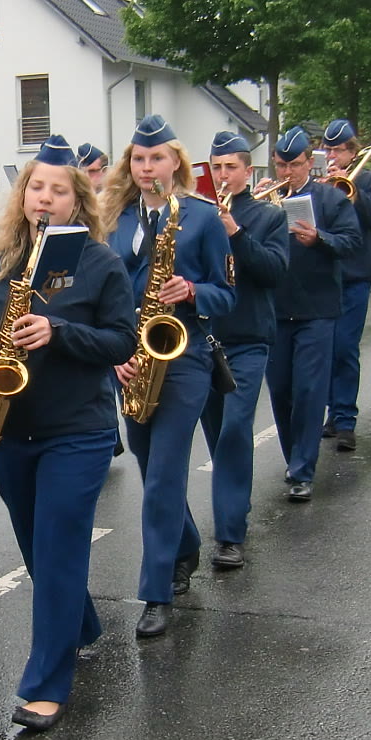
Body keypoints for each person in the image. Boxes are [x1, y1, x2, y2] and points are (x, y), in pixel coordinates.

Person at [0, 135, 135, 731]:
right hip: (13, 429)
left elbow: (122, 340)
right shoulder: (5, 261)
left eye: (57, 190)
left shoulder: (100, 263)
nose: (44, 197)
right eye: (36, 187)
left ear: (77, 200)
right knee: (38, 550)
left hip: (78, 430)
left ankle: (45, 685)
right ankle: (81, 626)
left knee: (60, 550)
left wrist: (58, 331)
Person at [103, 115, 235, 638]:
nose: (146, 167)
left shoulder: (200, 217)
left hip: (185, 356)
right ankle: (186, 544)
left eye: (156, 158)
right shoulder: (116, 219)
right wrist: (113, 354)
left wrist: (194, 291)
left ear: (175, 162)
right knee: (147, 462)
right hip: (131, 358)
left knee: (163, 474)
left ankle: (155, 592)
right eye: (138, 158)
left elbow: (228, 294)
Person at [198, 131, 289, 569]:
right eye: (216, 167)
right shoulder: (196, 216)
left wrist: (234, 232)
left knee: (235, 429)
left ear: (247, 172)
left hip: (249, 339)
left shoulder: (268, 217)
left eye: (230, 167)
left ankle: (230, 533)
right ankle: (232, 505)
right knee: (217, 435)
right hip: (204, 338)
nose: (222, 175)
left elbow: (274, 271)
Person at [263, 127, 365, 503]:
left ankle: (302, 470)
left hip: (318, 310)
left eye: (294, 164)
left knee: (308, 391)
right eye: (281, 165)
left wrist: (319, 238)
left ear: (309, 162)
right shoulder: (268, 202)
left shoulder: (330, 198)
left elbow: (352, 242)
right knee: (280, 391)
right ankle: (294, 459)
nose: (287, 172)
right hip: (277, 309)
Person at [319, 119, 371, 453]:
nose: (332, 155)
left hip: (355, 274)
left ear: (352, 151)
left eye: (338, 150)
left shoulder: (370, 181)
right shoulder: (319, 183)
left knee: (345, 347)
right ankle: (333, 412)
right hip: (323, 275)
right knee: (326, 348)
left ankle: (346, 420)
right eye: (328, 150)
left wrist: (353, 191)